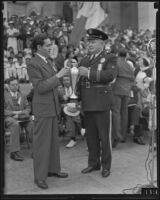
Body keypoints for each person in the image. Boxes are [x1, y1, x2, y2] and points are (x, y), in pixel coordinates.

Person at [27, 33, 70, 190]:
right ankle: (39, 177)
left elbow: (52, 85)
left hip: (52, 107)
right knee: (42, 144)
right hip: (43, 109)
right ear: (38, 47)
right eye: (47, 45)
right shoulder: (32, 63)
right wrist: (58, 75)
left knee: (53, 142)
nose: (50, 47)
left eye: (50, 44)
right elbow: (40, 87)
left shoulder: (47, 61)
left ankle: (53, 169)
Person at [78, 28, 118, 178]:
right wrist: (75, 99)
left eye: (93, 42)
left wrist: (88, 73)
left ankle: (106, 166)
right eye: (88, 41)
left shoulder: (110, 57)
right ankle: (93, 163)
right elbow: (79, 81)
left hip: (102, 102)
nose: (89, 44)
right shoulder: (84, 59)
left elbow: (110, 75)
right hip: (88, 102)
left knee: (104, 137)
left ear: (102, 43)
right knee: (91, 137)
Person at [4, 77, 34, 161]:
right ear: (8, 86)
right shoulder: (4, 95)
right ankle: (14, 152)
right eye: (13, 85)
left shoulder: (22, 95)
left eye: (16, 84)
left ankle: (36, 150)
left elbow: (28, 108)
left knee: (31, 124)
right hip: (8, 118)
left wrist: (20, 114)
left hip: (21, 117)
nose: (15, 86)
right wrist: (13, 113)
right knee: (15, 124)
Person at [111, 48, 135, 147]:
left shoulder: (116, 62)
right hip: (127, 91)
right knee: (124, 113)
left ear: (118, 54)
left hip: (117, 90)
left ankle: (117, 135)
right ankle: (123, 136)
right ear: (126, 56)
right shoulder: (129, 65)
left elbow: (113, 76)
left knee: (116, 113)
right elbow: (132, 79)